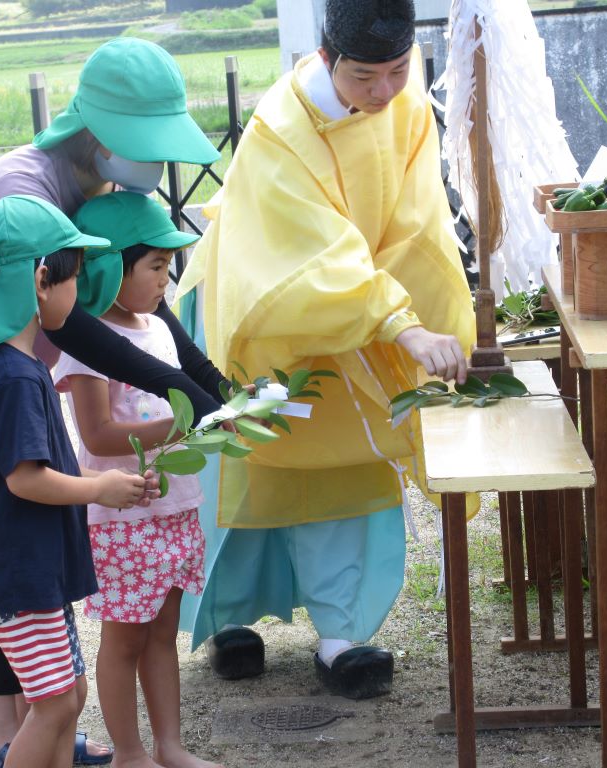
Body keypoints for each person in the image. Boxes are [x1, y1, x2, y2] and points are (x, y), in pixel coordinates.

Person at [0, 38, 226, 767]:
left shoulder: (95, 189)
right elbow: (81, 330)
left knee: (32, 550)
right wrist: (184, 395)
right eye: (146, 145)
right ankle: (3, 737)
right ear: (100, 139)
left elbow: (123, 310)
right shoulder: (25, 199)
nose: (156, 165)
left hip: (13, 370)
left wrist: (206, 386)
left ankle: (45, 722)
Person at [174, 0, 476, 700]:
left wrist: (415, 316)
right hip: (265, 303)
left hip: (363, 310)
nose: (383, 92)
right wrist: (399, 323)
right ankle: (232, 619)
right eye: (365, 76)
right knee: (256, 463)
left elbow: (417, 223)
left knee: (351, 464)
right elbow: (312, 254)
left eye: (398, 70)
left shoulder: (405, 103)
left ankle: (344, 633)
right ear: (326, 59)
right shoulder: (282, 128)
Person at [0, 195, 157, 768]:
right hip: (18, 576)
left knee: (67, 697)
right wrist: (101, 487)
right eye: (75, 275)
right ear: (42, 279)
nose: (80, 292)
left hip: (33, 570)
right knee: (52, 705)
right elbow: (25, 480)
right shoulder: (13, 377)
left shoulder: (19, 366)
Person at [53, 192, 222, 768]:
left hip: (174, 505)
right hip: (121, 517)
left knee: (163, 633)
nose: (164, 281)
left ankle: (170, 746)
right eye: (154, 267)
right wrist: (177, 426)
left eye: (167, 268)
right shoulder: (88, 344)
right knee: (124, 638)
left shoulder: (157, 327)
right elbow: (97, 435)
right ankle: (129, 752)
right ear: (108, 269)